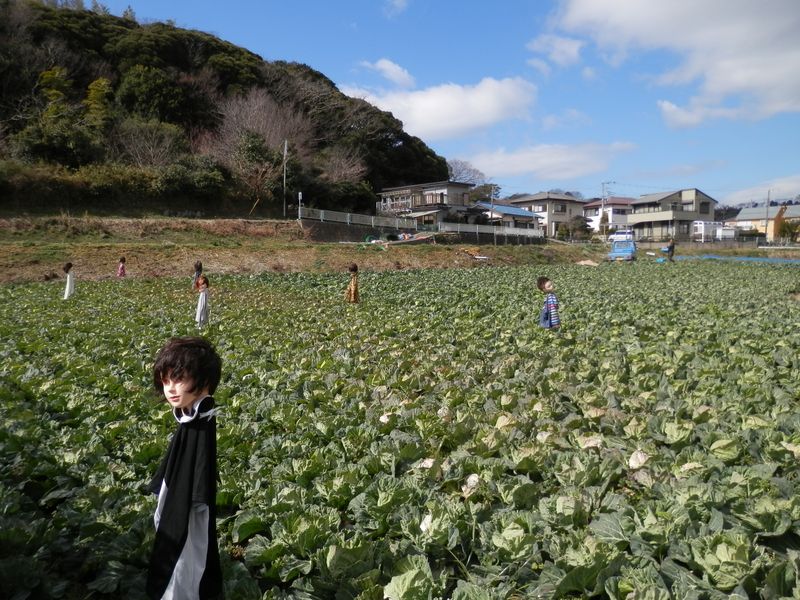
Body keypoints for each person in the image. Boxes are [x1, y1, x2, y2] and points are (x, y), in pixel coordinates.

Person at [147, 337, 223, 599]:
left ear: (204, 383)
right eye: (166, 381)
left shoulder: (203, 417)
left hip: (190, 503)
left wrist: (197, 501)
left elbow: (201, 466)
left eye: (178, 380)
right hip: (179, 494)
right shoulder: (191, 417)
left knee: (186, 560)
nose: (171, 389)